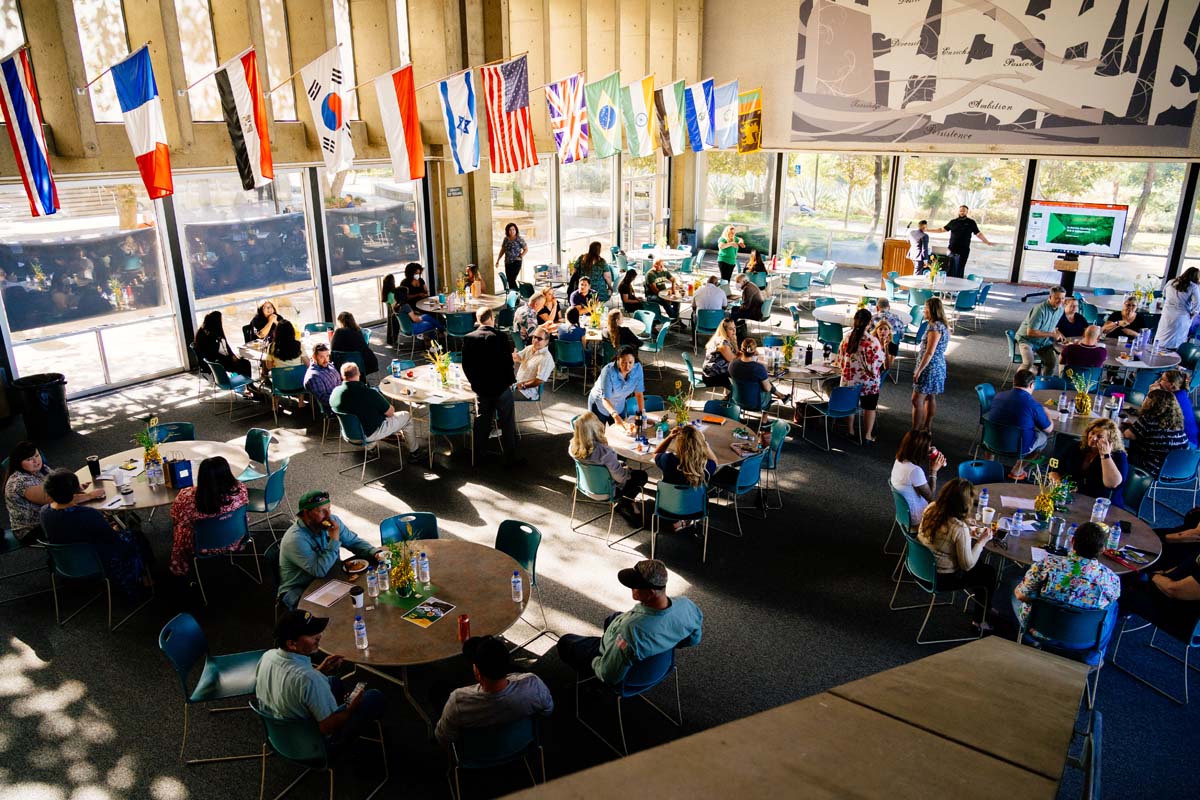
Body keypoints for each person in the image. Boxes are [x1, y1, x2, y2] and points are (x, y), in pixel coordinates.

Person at [557, 559, 703, 684]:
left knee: (565, 642)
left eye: (635, 586)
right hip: (661, 665)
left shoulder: (631, 631)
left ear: (650, 593)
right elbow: (693, 639)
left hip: (628, 675)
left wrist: (595, 661)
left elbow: (609, 676)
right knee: (614, 617)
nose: (631, 588)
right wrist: (666, 642)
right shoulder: (687, 605)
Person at [255, 609, 385, 748]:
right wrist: (350, 709)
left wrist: (321, 670)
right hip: (311, 746)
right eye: (312, 634)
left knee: (333, 681)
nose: (319, 636)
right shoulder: (310, 679)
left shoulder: (267, 656)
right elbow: (327, 728)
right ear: (292, 644)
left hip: (278, 733)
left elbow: (295, 682)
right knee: (374, 697)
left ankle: (337, 710)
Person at [40, 469, 152, 601]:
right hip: (97, 560)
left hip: (64, 563)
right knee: (135, 535)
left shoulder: (44, 512)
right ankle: (146, 577)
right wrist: (115, 528)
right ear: (75, 491)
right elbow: (112, 539)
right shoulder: (87, 514)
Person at [1012, 522, 1120, 655]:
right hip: (1085, 639)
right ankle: (1094, 657)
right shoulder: (1111, 579)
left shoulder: (1046, 564)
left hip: (1039, 631)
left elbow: (1021, 595)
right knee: (1113, 607)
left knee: (1016, 587)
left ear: (1072, 541)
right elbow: (1111, 599)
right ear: (1103, 549)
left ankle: (1030, 641)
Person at [435, 636, 554, 746]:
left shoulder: (458, 702)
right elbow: (548, 710)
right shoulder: (533, 684)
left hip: (477, 754)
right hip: (522, 743)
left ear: (478, 673)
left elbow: (443, 737)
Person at [277, 490, 385, 608]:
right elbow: (319, 571)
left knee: (365, 596)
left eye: (329, 508)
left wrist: (375, 553)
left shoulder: (331, 521)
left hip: (330, 580)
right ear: (306, 513)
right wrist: (334, 539)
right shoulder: (295, 540)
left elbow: (353, 542)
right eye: (321, 511)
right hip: (300, 590)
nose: (328, 515)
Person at [917, 478, 996, 614]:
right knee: (988, 573)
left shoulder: (932, 507)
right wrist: (981, 542)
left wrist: (965, 523)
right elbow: (967, 566)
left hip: (920, 565)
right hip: (939, 578)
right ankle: (980, 619)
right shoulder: (959, 528)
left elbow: (944, 530)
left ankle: (983, 605)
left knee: (980, 564)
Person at [5, 442, 102, 544]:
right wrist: (90, 496)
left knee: (87, 515)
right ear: (18, 463)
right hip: (32, 528)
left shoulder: (42, 469)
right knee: (85, 520)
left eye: (37, 456)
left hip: (49, 515)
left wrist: (76, 488)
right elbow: (58, 499)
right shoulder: (20, 482)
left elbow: (59, 488)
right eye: (29, 459)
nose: (36, 461)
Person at [168, 456, 248, 576]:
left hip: (202, 545)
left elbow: (175, 516)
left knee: (179, 526)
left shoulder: (186, 497)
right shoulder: (240, 490)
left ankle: (180, 566)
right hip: (235, 538)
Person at [462, 307, 519, 463]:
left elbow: (466, 366)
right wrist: (509, 382)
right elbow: (507, 363)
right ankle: (510, 457)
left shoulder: (469, 338)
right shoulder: (501, 337)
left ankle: (479, 455)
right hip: (501, 388)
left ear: (478, 320)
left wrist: (474, 383)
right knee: (507, 422)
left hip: (481, 389)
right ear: (492, 318)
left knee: (482, 422)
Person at [569, 411, 647, 523]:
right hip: (607, 492)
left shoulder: (573, 447)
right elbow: (621, 478)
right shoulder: (604, 452)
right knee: (641, 476)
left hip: (586, 487)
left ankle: (628, 502)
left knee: (621, 464)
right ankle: (624, 503)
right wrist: (626, 471)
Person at [329, 362, 420, 456]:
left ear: (342, 376)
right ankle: (415, 452)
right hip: (368, 435)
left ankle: (371, 449)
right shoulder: (369, 393)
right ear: (359, 373)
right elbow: (390, 413)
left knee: (365, 416)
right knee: (406, 416)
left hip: (348, 435)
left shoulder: (335, 393)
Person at [987, 368, 1053, 479]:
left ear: (1014, 381)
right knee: (1044, 439)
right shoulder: (1033, 405)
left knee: (996, 425)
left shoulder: (999, 396)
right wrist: (1048, 414)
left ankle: (988, 466)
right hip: (1017, 447)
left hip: (991, 441)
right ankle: (1017, 469)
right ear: (1031, 385)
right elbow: (1049, 429)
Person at [1049, 418, 1127, 508]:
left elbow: (1112, 484)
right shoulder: (1077, 447)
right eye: (1092, 433)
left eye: (1099, 436)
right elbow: (1054, 470)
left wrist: (1105, 455)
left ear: (1110, 441)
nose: (1093, 438)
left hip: (1102, 504)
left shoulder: (1118, 456)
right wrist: (1060, 485)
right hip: (1074, 498)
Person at [654, 425, 717, 532]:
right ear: (699, 444)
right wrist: (704, 442)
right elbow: (715, 461)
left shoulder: (668, 460)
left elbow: (656, 453)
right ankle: (686, 520)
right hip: (696, 509)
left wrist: (670, 437)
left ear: (679, 444)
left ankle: (678, 521)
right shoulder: (705, 466)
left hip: (667, 507)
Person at [838, 308, 886, 442]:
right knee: (869, 407)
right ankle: (867, 436)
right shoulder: (872, 341)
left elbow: (840, 359)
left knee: (851, 404)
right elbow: (879, 362)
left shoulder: (847, 337)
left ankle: (850, 431)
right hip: (868, 383)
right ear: (869, 323)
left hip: (849, 380)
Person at [1124, 388, 1189, 477]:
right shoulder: (1177, 422)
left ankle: (1125, 477)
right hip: (1180, 471)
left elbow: (1127, 435)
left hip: (1155, 470)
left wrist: (1132, 428)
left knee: (1125, 450)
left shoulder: (1149, 419)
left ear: (1151, 403)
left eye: (1146, 399)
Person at [911, 297, 950, 431]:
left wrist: (919, 370)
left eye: (925, 308)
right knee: (930, 396)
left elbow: (929, 352)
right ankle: (926, 428)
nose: (924, 311)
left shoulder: (935, 327)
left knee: (917, 400)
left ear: (931, 310)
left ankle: (916, 431)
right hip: (937, 365)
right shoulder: (941, 325)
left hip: (929, 367)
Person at [890, 429, 945, 522]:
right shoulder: (915, 471)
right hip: (916, 517)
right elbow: (931, 498)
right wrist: (933, 471)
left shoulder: (899, 460)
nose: (930, 449)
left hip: (904, 514)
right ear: (920, 451)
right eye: (928, 447)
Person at [588, 346, 645, 425]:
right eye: (623, 362)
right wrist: (615, 415)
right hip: (599, 404)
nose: (627, 367)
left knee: (622, 430)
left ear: (634, 361)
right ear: (618, 360)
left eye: (630, 362)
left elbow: (639, 394)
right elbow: (605, 399)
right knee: (598, 432)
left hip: (619, 405)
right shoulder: (608, 371)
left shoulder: (637, 368)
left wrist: (642, 414)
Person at [928, 205, 991, 277]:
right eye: (961, 211)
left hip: (964, 250)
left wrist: (987, 242)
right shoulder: (953, 222)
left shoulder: (971, 222)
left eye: (964, 211)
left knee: (960, 268)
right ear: (959, 211)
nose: (962, 212)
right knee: (950, 267)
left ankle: (959, 282)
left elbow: (978, 234)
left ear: (967, 212)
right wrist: (927, 230)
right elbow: (941, 230)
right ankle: (949, 282)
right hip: (952, 249)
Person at [1015, 286, 1066, 374]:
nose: (1060, 301)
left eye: (1062, 298)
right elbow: (1030, 332)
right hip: (1027, 339)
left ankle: (1044, 381)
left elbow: (1052, 326)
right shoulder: (1040, 309)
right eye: (1057, 298)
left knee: (1051, 363)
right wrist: (1052, 335)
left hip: (1042, 341)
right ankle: (1018, 381)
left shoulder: (1060, 310)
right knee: (1028, 363)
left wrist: (1060, 334)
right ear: (1050, 297)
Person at [728, 338, 790, 411]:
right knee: (767, 385)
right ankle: (765, 416)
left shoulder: (732, 364)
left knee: (761, 382)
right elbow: (767, 389)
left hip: (737, 400)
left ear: (741, 349)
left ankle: (782, 396)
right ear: (754, 351)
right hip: (756, 404)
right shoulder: (758, 368)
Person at [194, 310, 253, 379]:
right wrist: (229, 358)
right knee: (244, 365)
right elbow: (213, 354)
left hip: (223, 358)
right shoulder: (206, 335)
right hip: (217, 362)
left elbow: (226, 345)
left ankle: (244, 382)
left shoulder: (215, 330)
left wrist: (232, 355)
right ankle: (245, 382)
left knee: (244, 362)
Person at [1151, 370, 1198, 448]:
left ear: (1171, 385)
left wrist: (1152, 392)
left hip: (1185, 444)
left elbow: (1151, 416)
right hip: (1188, 441)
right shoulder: (1181, 393)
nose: (1158, 381)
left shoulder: (1172, 399)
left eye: (1162, 379)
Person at [1157, 267, 1200, 350]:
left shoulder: (1171, 282)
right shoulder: (1193, 286)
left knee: (1162, 337)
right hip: (1181, 316)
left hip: (1167, 313)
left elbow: (1164, 295)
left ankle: (1157, 354)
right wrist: (1193, 314)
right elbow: (1197, 304)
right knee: (1176, 342)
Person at [330, 312, 379, 376]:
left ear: (341, 322)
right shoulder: (358, 330)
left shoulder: (339, 331)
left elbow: (332, 349)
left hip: (345, 364)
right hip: (364, 363)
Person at [512, 326, 555, 399]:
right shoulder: (530, 348)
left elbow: (539, 380)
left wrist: (523, 386)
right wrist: (514, 356)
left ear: (546, 341)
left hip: (528, 392)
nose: (535, 340)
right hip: (517, 384)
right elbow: (519, 357)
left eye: (539, 339)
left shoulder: (546, 358)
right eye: (534, 337)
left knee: (498, 396)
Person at [701, 318, 738, 392]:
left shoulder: (724, 339)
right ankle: (734, 397)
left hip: (716, 373)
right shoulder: (722, 342)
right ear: (724, 330)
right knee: (742, 377)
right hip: (712, 376)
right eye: (731, 329)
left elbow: (736, 355)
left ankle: (732, 396)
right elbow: (733, 360)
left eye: (734, 328)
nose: (734, 331)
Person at [303, 342, 342, 409]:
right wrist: (343, 399)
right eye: (321, 357)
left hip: (340, 396)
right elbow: (324, 399)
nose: (326, 360)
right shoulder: (314, 377)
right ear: (314, 357)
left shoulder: (329, 365)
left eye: (327, 356)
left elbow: (339, 383)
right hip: (334, 406)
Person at [729, 273, 765, 341]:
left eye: (738, 281)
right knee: (734, 309)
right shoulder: (750, 284)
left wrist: (738, 308)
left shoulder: (747, 289)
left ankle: (732, 332)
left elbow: (746, 307)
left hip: (754, 313)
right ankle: (735, 328)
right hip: (757, 310)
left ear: (744, 281)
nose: (737, 283)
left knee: (734, 313)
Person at [495, 223, 527, 289]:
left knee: (512, 279)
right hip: (507, 262)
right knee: (509, 280)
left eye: (513, 229)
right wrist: (498, 260)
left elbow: (526, 249)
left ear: (516, 230)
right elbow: (503, 250)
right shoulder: (506, 239)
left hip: (516, 262)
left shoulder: (519, 239)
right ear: (507, 231)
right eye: (510, 230)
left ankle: (516, 293)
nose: (512, 231)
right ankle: (513, 293)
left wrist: (520, 256)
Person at [382, 273, 402, 346]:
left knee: (390, 326)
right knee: (394, 327)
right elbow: (395, 305)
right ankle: (394, 341)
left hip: (390, 312)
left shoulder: (386, 292)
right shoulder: (392, 294)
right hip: (394, 312)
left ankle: (391, 340)